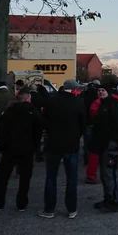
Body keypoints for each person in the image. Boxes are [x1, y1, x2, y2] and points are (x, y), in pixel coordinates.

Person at [38, 81, 85, 219]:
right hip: (71, 144)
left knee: (51, 177)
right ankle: (72, 209)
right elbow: (83, 124)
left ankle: (49, 209)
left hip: (53, 144)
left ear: (63, 88)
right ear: (74, 89)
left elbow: (44, 122)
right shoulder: (79, 103)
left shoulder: (51, 101)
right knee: (71, 178)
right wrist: (76, 135)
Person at [0, 87, 42, 212]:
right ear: (28, 98)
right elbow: (38, 132)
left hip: (10, 148)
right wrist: (35, 147)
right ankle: (22, 203)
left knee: (3, 176)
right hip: (27, 149)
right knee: (25, 177)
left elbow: (1, 131)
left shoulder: (9, 112)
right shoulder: (33, 112)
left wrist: (3, 146)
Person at [88, 86, 118, 213]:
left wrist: (113, 139)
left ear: (108, 92)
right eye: (99, 90)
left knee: (109, 174)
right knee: (105, 174)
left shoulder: (113, 104)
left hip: (110, 144)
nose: (100, 92)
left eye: (103, 90)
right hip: (103, 144)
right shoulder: (102, 105)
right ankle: (107, 199)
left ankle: (114, 202)